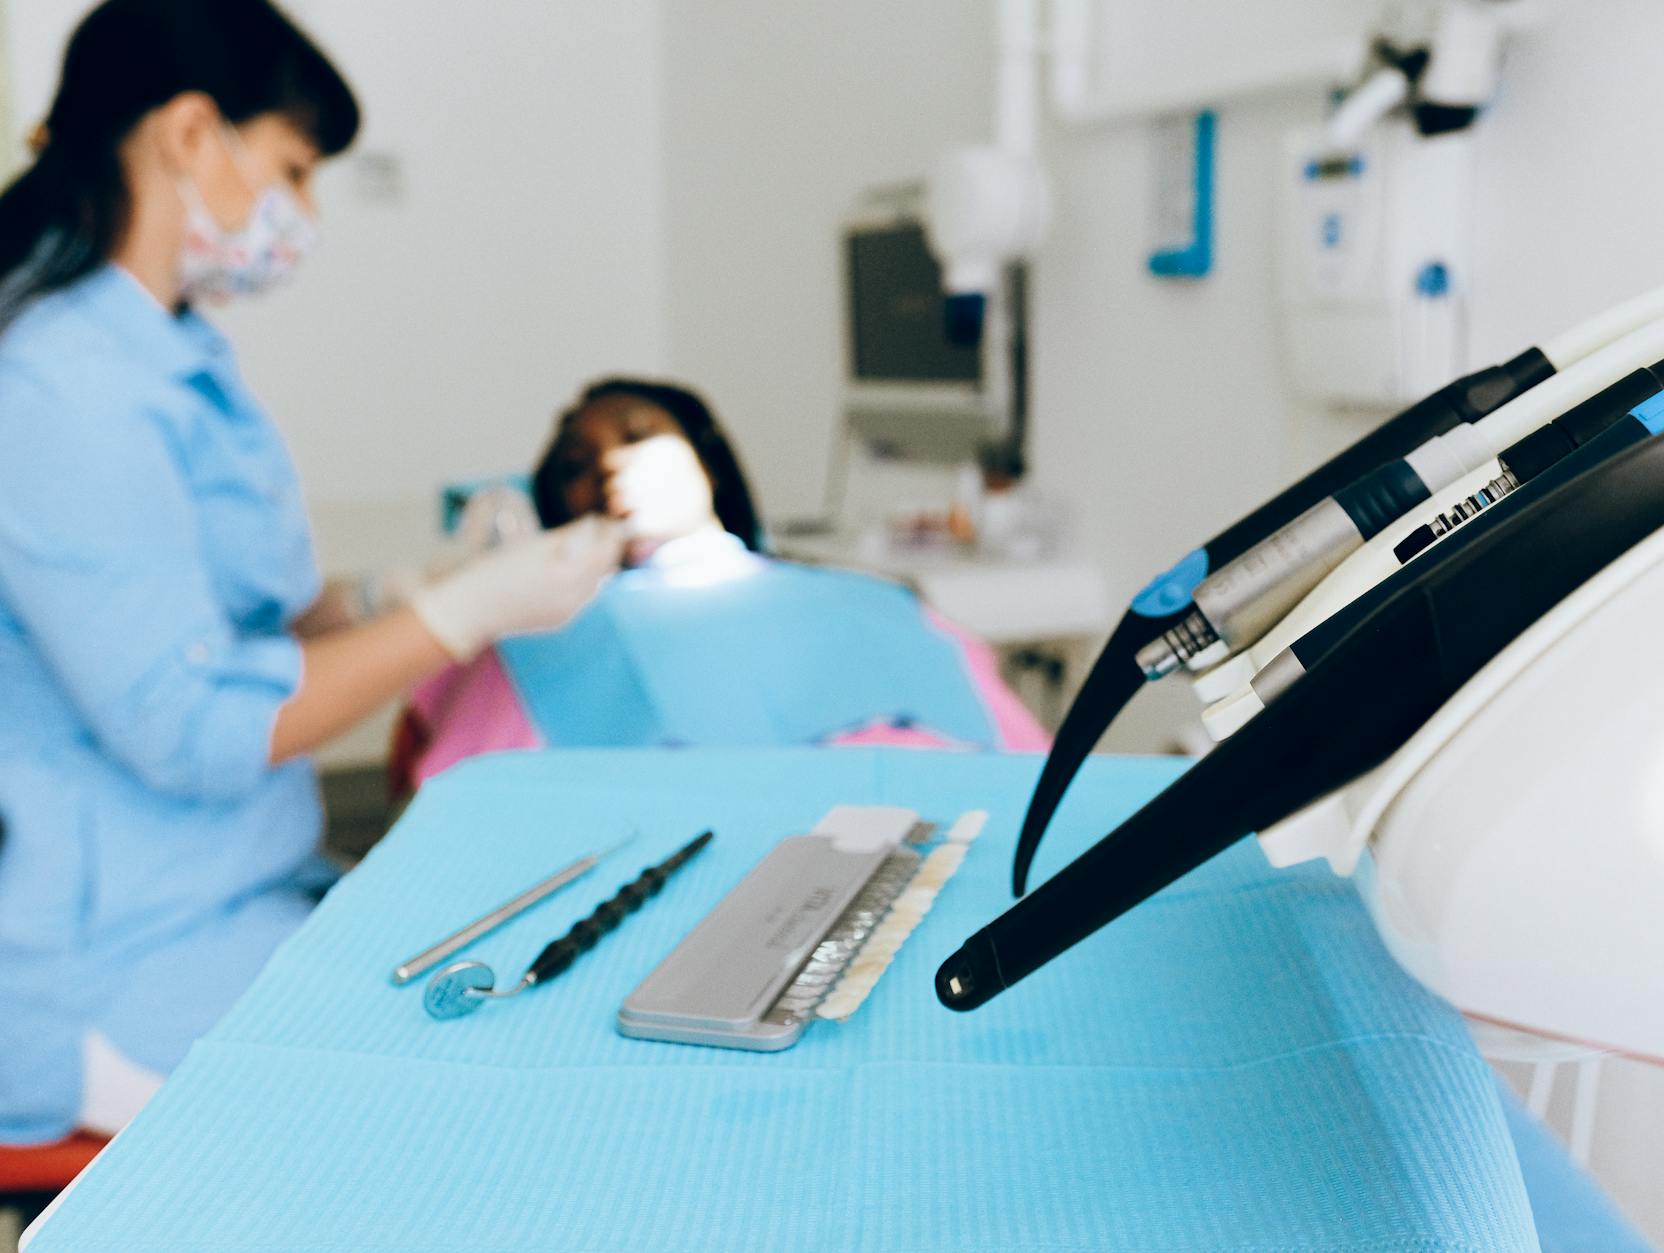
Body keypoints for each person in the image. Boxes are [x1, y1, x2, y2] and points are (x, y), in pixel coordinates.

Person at [0, 0, 631, 1143]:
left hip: (243, 884)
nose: (303, 214)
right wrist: (460, 613)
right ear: (191, 135)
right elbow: (194, 720)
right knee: (467, 1123)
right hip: (120, 958)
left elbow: (244, 622)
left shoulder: (174, 355)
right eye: (294, 169)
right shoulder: (57, 390)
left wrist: (404, 590)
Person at [394, 378, 1048, 793]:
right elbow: (449, 810)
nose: (609, 462)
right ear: (560, 502)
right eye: (576, 465)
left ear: (706, 458)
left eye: (638, 434)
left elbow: (1031, 769)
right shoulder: (538, 637)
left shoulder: (872, 597)